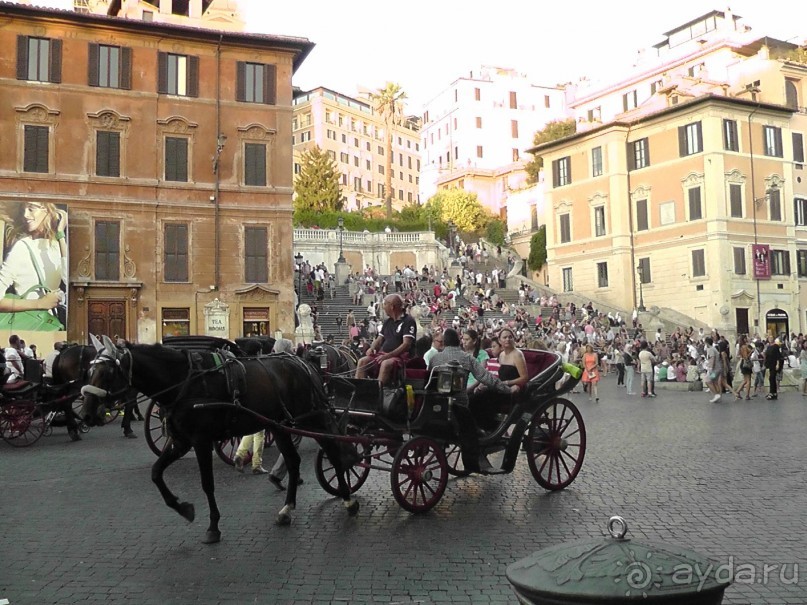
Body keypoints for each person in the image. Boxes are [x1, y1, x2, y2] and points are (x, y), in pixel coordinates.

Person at [427, 328, 518, 473]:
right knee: (469, 431)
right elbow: (486, 378)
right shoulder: (466, 358)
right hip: (459, 404)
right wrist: (507, 389)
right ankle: (473, 463)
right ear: (459, 341)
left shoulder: (435, 359)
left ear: (444, 342)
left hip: (436, 404)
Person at [0, 202, 68, 324]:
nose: (25, 215)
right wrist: (40, 303)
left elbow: (68, 280)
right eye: (23, 210)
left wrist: (60, 235)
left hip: (51, 323)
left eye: (31, 209)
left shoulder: (56, 244)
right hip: (30, 324)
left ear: (47, 210)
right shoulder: (22, 247)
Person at [355, 294, 416, 385]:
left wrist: (388, 356)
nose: (383, 307)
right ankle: (359, 390)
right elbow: (379, 339)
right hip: (384, 354)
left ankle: (378, 392)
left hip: (400, 357)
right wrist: (372, 348)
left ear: (392, 306)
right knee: (362, 361)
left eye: (385, 304)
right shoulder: (388, 322)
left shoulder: (408, 321)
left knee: (385, 363)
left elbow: (406, 345)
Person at [704, 336, 722, 403]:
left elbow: (712, 359)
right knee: (714, 382)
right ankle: (718, 395)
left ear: (706, 343)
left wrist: (710, 368)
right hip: (718, 368)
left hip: (714, 369)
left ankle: (716, 394)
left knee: (707, 381)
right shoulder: (714, 349)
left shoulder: (711, 349)